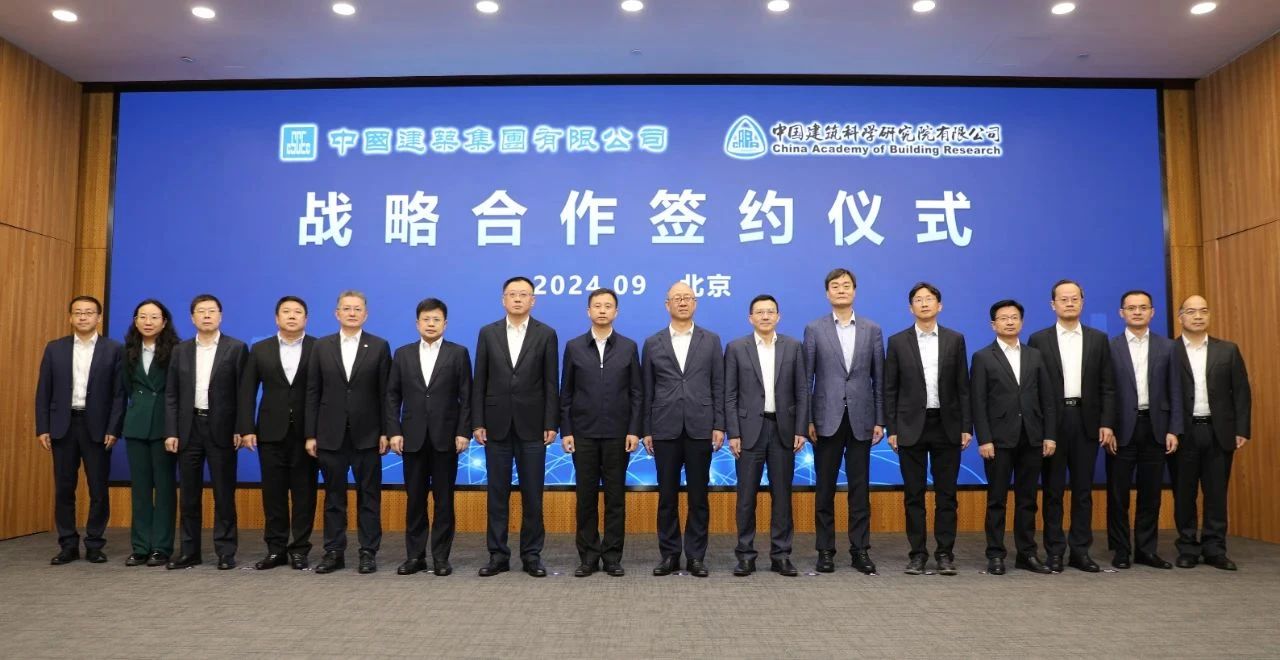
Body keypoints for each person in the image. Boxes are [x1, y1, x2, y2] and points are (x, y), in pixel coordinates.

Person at [472, 276, 560, 578]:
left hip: (533, 426)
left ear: (533, 300)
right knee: (497, 495)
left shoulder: (546, 334)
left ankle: (532, 555)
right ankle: (497, 555)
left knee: (532, 495)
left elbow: (551, 382)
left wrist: (551, 422)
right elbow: (479, 379)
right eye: (512, 294)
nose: (518, 299)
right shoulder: (488, 333)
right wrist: (478, 421)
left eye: (524, 294)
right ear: (503, 299)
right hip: (496, 425)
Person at [1027, 279, 1116, 573]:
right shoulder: (1039, 340)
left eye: (1074, 298)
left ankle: (1080, 551)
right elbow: (1032, 387)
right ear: (1053, 304)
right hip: (1052, 423)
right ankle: (1054, 551)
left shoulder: (1097, 339)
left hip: (1086, 421)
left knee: (1082, 490)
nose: (1069, 303)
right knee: (1052, 490)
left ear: (1082, 302)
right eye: (1063, 299)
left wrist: (1107, 422)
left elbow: (1107, 385)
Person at [883, 282, 970, 576]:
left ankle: (945, 553)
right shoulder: (897, 342)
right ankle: (917, 554)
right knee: (914, 495)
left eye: (929, 299)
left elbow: (963, 386)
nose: (924, 304)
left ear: (939, 305)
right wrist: (892, 428)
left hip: (947, 425)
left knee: (947, 495)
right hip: (910, 427)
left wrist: (966, 426)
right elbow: (890, 389)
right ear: (911, 308)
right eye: (918, 300)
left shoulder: (955, 339)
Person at [802, 268, 884, 574]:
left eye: (846, 285)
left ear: (854, 291)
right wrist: (808, 419)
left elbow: (879, 379)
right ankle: (825, 550)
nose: (841, 290)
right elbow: (806, 379)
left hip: (862, 418)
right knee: (824, 488)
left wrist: (880, 419)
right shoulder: (814, 329)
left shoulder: (872, 329)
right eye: (835, 286)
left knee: (859, 489)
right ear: (827, 293)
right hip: (826, 418)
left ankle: (860, 549)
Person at [642, 281, 724, 578]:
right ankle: (669, 555)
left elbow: (718, 384)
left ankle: (696, 556)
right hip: (664, 428)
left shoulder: (711, 340)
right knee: (667, 496)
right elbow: (647, 389)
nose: (682, 302)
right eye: (676, 298)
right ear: (667, 304)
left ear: (695, 303)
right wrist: (647, 429)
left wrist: (719, 424)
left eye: (687, 297)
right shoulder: (653, 342)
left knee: (698, 497)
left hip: (701, 427)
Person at [306, 290, 392, 574]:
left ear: (365, 314)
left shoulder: (379, 346)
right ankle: (333, 552)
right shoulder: (321, 346)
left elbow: (386, 394)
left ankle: (368, 552)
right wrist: (311, 434)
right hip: (330, 434)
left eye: (357, 309)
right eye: (346, 308)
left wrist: (386, 431)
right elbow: (313, 391)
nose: (352, 313)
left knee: (369, 497)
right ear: (337, 313)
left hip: (368, 435)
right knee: (334, 498)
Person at [35, 295, 125, 565]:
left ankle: (95, 543)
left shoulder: (114, 349)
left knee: (98, 489)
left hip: (97, 427)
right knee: (64, 489)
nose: (83, 317)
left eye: (89, 312)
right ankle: (68, 544)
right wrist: (43, 427)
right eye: (78, 312)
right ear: (70, 317)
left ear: (99, 317)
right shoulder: (55, 348)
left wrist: (114, 428)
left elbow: (119, 394)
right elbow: (43, 391)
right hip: (63, 426)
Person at [386, 298, 472, 577]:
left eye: (436, 319)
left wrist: (463, 431)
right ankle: (415, 556)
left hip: (446, 438)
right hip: (411, 438)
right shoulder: (402, 354)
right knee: (415, 501)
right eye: (426, 319)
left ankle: (441, 558)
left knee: (444, 501)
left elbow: (466, 396)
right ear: (417, 323)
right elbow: (392, 396)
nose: (431, 324)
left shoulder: (458, 353)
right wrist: (394, 431)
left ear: (445, 324)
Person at [560, 288, 642, 578]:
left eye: (608, 306)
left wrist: (634, 430)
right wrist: (566, 430)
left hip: (618, 435)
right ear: (588, 311)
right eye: (597, 306)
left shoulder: (629, 347)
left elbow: (636, 393)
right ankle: (588, 556)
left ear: (616, 312)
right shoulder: (574, 347)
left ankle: (612, 557)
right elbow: (566, 393)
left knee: (615, 498)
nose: (603, 310)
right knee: (586, 498)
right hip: (583, 434)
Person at [971, 299, 1057, 576]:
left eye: (1014, 317)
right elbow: (978, 402)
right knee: (997, 500)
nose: (1009, 322)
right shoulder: (983, 357)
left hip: (1032, 437)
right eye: (1003, 318)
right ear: (993, 324)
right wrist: (984, 439)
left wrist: (1049, 435)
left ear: (1021, 322)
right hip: (998, 440)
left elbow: (1047, 399)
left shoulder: (1035, 355)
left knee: (1027, 499)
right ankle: (995, 554)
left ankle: (1027, 553)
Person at [725, 294, 808, 577]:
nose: (765, 316)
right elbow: (730, 395)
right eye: (759, 312)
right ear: (750, 318)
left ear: (778, 316)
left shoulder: (793, 347)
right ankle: (745, 555)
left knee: (782, 496)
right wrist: (733, 432)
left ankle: (781, 555)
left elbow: (802, 391)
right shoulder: (736, 348)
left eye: (770, 311)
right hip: (748, 432)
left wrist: (800, 429)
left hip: (783, 430)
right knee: (746, 498)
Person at [164, 294, 248, 570]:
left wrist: (241, 427)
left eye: (212, 311)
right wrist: (171, 431)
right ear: (192, 318)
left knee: (223, 494)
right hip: (188, 429)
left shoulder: (236, 348)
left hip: (222, 429)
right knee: (189, 496)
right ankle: (189, 552)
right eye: (201, 311)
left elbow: (243, 393)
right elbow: (172, 394)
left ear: (220, 316)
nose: (207, 315)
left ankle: (225, 551)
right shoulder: (181, 350)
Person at [238, 296, 317, 570]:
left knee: (304, 494)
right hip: (270, 432)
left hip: (306, 434)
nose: (292, 316)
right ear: (276, 318)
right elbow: (247, 391)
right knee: (273, 494)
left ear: (306, 319)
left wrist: (317, 431)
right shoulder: (261, 349)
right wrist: (246, 428)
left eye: (297, 312)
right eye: (286, 312)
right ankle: (275, 549)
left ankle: (300, 549)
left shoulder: (319, 347)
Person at [1172, 295, 1251, 570]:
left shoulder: (1227, 350)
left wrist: (1242, 429)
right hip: (1183, 433)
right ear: (1180, 317)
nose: (1198, 316)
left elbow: (1241, 392)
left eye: (1203, 311)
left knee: (1216, 493)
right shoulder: (1169, 351)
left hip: (1219, 431)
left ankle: (1215, 548)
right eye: (1191, 311)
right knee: (1184, 494)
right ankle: (1187, 547)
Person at [1107, 290, 1183, 570]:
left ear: (1152, 312)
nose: (1137, 312)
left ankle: (1146, 550)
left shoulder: (1169, 347)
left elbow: (1176, 390)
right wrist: (1108, 426)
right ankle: (1121, 549)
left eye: (1143, 307)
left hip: (1156, 427)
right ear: (1121, 313)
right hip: (1121, 430)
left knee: (1151, 494)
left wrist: (1174, 428)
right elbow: (1106, 392)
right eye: (1131, 308)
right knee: (1118, 495)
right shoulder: (1110, 347)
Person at [121, 299, 180, 567]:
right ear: (135, 321)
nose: (148, 322)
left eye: (154, 317)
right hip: (137, 425)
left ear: (164, 322)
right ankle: (141, 546)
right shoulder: (127, 351)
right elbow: (126, 387)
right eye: (142, 317)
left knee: (165, 488)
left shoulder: (177, 351)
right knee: (141, 489)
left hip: (165, 426)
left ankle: (161, 547)